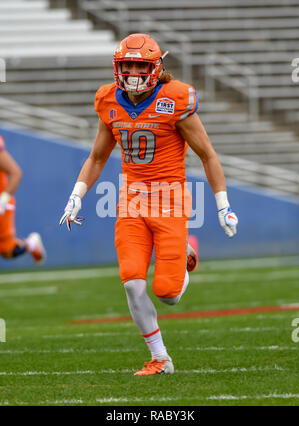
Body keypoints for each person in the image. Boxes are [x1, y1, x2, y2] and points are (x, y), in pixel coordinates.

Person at [60, 33, 238, 375]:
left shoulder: (175, 99)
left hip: (170, 199)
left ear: (155, 68)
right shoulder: (108, 100)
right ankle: (161, 358)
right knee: (131, 282)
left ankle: (186, 257)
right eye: (126, 64)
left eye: (139, 65)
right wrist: (76, 196)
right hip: (130, 200)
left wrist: (222, 205)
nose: (131, 72)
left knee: (168, 294)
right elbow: (97, 156)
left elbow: (207, 154)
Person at [0, 136, 46, 264]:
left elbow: (15, 173)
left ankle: (31, 244)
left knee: (7, 251)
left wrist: (2, 202)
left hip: (2, 201)